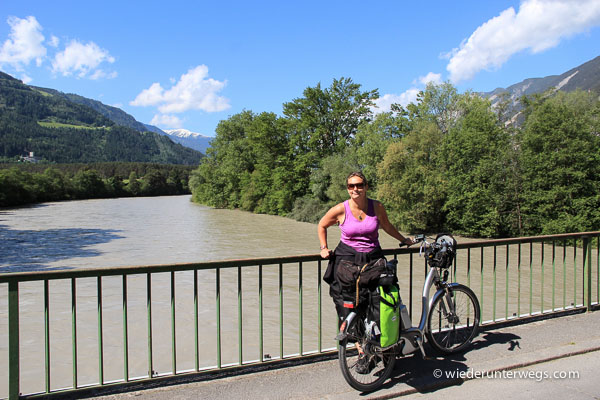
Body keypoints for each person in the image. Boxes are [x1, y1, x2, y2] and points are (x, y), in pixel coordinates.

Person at [318, 171, 415, 319]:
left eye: (359, 185)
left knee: (377, 300)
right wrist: (324, 248)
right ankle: (355, 339)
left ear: (366, 187)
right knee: (348, 303)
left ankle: (374, 337)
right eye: (351, 186)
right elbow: (322, 225)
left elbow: (387, 226)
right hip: (347, 259)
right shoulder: (340, 209)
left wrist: (403, 239)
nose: (355, 189)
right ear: (347, 188)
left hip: (373, 259)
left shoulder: (377, 206)